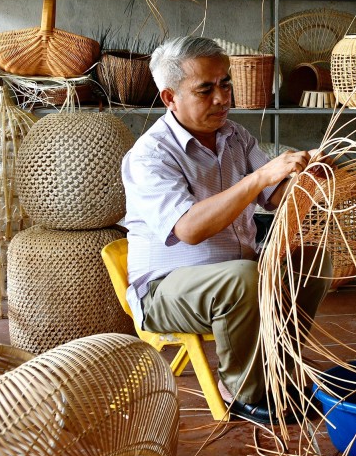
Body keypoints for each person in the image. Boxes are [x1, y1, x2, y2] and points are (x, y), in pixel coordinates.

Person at [121, 36, 331, 423]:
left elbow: (272, 196)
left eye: (226, 84)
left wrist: (308, 178)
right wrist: (260, 177)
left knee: (312, 257)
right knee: (243, 278)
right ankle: (243, 392)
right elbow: (188, 229)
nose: (221, 98)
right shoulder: (150, 155)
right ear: (170, 98)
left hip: (240, 280)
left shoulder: (235, 137)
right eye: (205, 89)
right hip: (165, 291)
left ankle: (277, 373)